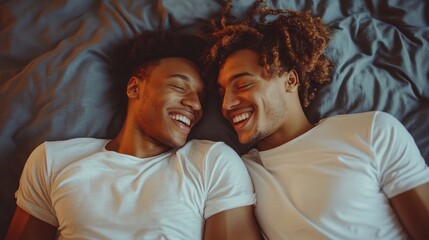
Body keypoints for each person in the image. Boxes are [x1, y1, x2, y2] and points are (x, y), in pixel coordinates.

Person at [203, 0, 429, 239]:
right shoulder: (235, 172)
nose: (227, 104)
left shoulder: (372, 131)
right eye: (221, 94)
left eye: (244, 85)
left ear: (290, 81)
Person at [6, 30, 261, 240]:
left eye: (201, 97)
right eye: (178, 86)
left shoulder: (211, 162)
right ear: (133, 87)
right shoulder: (52, 160)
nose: (195, 105)